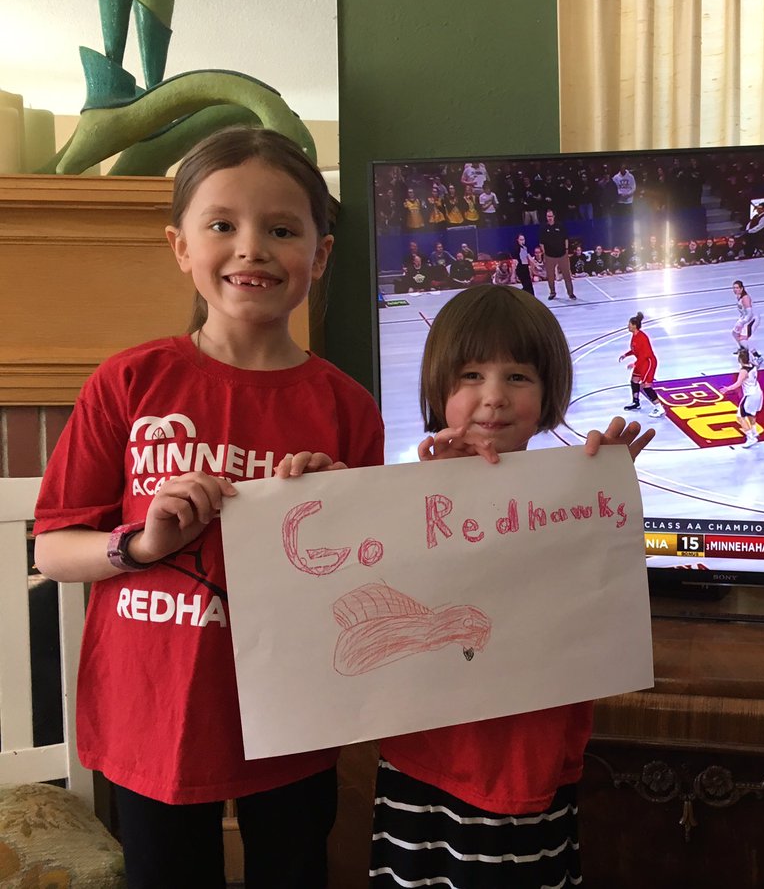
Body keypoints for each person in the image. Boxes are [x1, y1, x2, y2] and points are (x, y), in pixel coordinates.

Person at [32, 126, 385, 888]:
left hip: (292, 710)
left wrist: (335, 510)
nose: (251, 248)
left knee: (294, 871)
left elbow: (366, 576)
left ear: (320, 254)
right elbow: (52, 549)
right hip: (152, 711)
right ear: (181, 246)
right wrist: (140, 544)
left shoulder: (347, 408)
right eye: (222, 224)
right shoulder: (128, 382)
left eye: (282, 230)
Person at [372, 285, 654, 889]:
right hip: (419, 760)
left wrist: (606, 493)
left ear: (549, 394)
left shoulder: (575, 497)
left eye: (518, 376)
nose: (494, 396)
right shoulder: (395, 498)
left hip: (528, 765)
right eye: (471, 375)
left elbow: (600, 609)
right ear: (438, 390)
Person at [619, 311, 664, 417]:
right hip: (641, 361)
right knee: (634, 380)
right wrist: (626, 355)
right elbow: (635, 350)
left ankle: (659, 408)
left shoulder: (642, 337)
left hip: (648, 362)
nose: (628, 326)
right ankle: (636, 402)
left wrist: (635, 364)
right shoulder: (634, 336)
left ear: (634, 326)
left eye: (629, 324)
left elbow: (645, 354)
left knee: (646, 386)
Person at [718, 347, 764, 447]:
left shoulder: (744, 371)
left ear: (740, 359)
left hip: (750, 395)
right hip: (757, 392)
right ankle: (754, 431)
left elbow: (738, 383)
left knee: (740, 417)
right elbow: (758, 363)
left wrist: (727, 389)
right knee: (751, 413)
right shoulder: (753, 365)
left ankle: (751, 438)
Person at [540, 208, 577, 300]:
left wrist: (566, 250)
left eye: (551, 216)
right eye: (548, 216)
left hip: (562, 254)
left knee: (567, 275)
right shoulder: (543, 228)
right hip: (549, 256)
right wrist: (544, 254)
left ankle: (570, 293)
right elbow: (541, 243)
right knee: (550, 276)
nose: (549, 218)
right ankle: (552, 292)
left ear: (554, 216)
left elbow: (566, 239)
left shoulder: (560, 226)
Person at [731, 280, 763, 363]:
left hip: (752, 319)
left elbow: (750, 313)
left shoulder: (745, 298)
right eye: (734, 288)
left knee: (743, 339)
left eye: (737, 288)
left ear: (741, 288)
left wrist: (742, 323)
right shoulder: (739, 296)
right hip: (744, 318)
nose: (735, 290)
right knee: (734, 333)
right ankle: (742, 349)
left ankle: (757, 356)